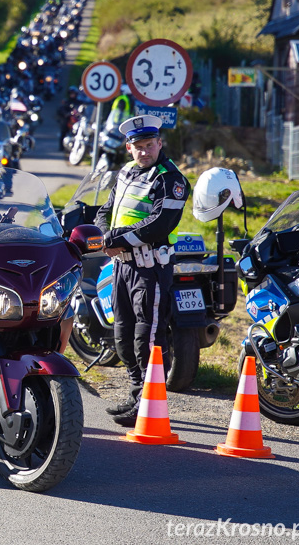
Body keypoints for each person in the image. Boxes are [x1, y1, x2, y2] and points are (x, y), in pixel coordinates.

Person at [93, 114, 191, 427]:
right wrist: (100, 237)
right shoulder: (124, 173)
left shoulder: (171, 179)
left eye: (149, 145)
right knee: (121, 336)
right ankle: (137, 392)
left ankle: (148, 401)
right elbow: (105, 211)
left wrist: (114, 239)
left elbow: (160, 223)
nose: (144, 151)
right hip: (121, 267)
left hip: (151, 270)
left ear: (160, 144)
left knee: (146, 337)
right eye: (138, 146)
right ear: (128, 148)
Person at [56, 85, 80, 151]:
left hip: (76, 119)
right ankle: (61, 147)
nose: (72, 95)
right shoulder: (66, 102)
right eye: (71, 93)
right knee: (63, 130)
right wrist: (67, 114)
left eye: (73, 94)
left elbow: (82, 109)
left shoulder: (78, 102)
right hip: (67, 119)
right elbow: (61, 109)